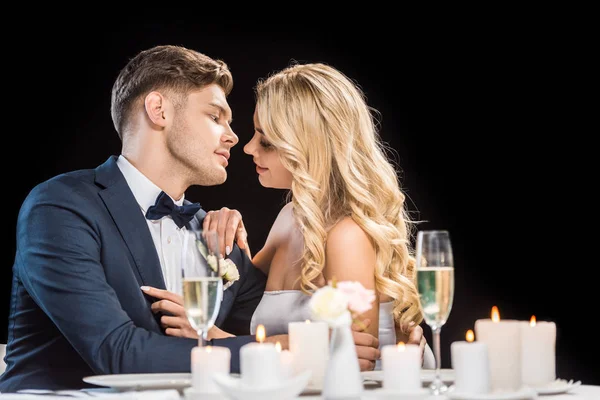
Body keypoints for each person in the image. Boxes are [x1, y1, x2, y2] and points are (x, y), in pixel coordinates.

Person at [0, 45, 380, 393]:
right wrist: (282, 349)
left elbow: (283, 315)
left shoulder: (214, 234)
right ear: (159, 110)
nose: (235, 138)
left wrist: (394, 329)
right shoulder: (61, 207)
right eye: (216, 116)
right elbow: (116, 354)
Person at [194, 62, 435, 370]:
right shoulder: (289, 217)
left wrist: (216, 342)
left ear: (309, 146)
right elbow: (243, 301)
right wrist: (228, 226)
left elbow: (355, 364)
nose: (249, 147)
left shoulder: (348, 237)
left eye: (265, 139)